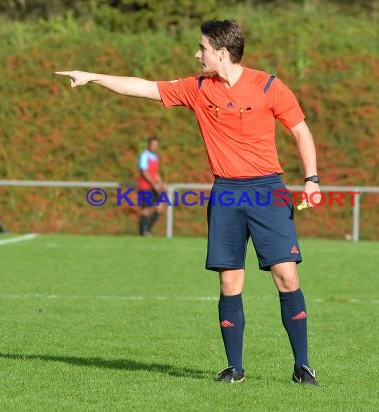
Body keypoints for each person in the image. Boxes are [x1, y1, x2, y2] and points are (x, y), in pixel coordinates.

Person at [56, 19, 322, 385]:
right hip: (226, 192)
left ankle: (303, 366)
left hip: (267, 191)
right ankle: (235, 368)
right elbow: (145, 88)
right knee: (230, 283)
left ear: (222, 53)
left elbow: (300, 130)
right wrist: (92, 76)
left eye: (202, 49)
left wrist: (311, 179)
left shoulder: (270, 86)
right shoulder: (197, 89)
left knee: (287, 276)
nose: (197, 55)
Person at [137, 135, 166, 236]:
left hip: (155, 186)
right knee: (147, 208)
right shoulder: (144, 155)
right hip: (146, 186)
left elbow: (155, 173)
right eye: (153, 145)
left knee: (160, 207)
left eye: (156, 145)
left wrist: (161, 183)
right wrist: (154, 184)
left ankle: (148, 230)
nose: (154, 147)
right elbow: (144, 172)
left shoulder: (156, 156)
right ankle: (143, 232)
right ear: (149, 144)